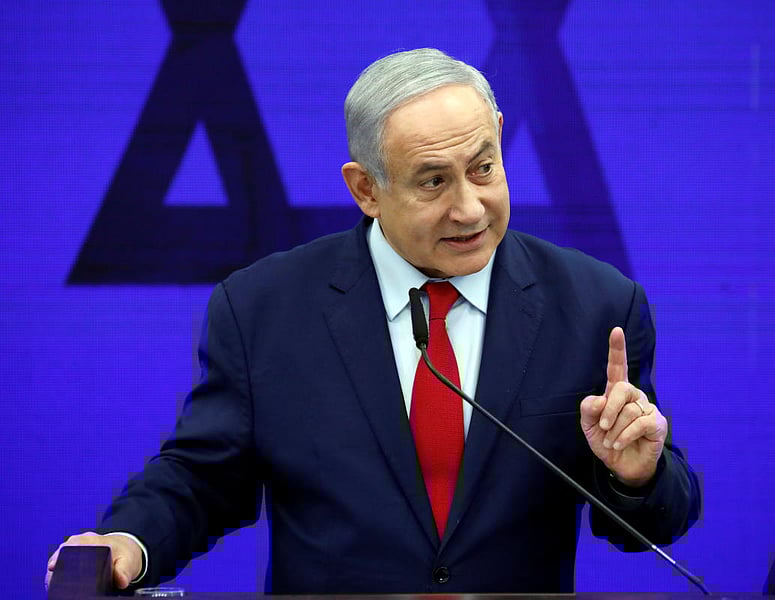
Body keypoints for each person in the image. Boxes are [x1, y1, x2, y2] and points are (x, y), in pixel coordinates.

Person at [46, 48, 701, 594]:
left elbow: (653, 520)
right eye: (433, 182)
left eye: (483, 168)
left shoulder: (595, 306)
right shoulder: (265, 309)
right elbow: (202, 478)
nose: (470, 209)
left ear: (502, 137)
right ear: (365, 189)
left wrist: (635, 473)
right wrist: (126, 540)